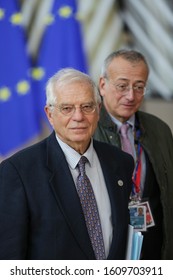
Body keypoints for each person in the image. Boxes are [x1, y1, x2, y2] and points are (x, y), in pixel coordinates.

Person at [0, 68, 134, 260]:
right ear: (50, 114)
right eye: (67, 108)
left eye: (87, 107)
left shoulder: (121, 162)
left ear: (98, 110)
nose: (78, 117)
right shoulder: (18, 172)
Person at [94, 49, 173, 259]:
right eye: (122, 86)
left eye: (139, 87)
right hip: (107, 249)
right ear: (102, 85)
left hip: (154, 246)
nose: (131, 95)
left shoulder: (160, 130)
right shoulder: (85, 130)